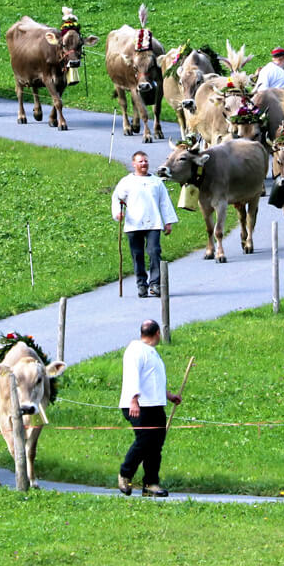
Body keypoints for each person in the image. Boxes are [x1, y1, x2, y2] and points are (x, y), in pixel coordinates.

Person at [118, 319, 181, 497]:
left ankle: (151, 483)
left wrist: (169, 396)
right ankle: (125, 474)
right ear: (158, 334)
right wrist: (133, 399)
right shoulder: (135, 350)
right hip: (139, 406)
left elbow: (154, 380)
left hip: (155, 404)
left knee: (156, 445)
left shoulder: (152, 353)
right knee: (144, 442)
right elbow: (132, 376)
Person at [112, 150, 176, 298]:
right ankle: (141, 284)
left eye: (145, 161)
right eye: (140, 161)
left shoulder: (156, 182)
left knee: (154, 251)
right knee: (137, 254)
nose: (144, 164)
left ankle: (155, 283)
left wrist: (168, 222)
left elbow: (164, 203)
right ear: (134, 164)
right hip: (134, 224)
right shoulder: (126, 182)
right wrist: (118, 213)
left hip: (153, 222)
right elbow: (117, 198)